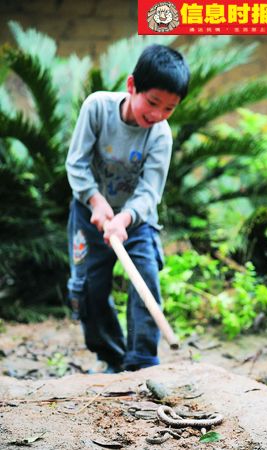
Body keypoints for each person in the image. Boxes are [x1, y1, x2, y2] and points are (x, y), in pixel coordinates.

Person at [66, 44, 190, 373]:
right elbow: (76, 165)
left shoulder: (160, 136)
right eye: (152, 103)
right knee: (88, 289)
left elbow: (150, 192)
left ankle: (142, 363)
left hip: (136, 220)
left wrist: (124, 218)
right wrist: (95, 201)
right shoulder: (97, 108)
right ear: (131, 85)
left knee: (145, 281)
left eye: (169, 108)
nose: (157, 115)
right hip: (88, 214)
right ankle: (112, 358)